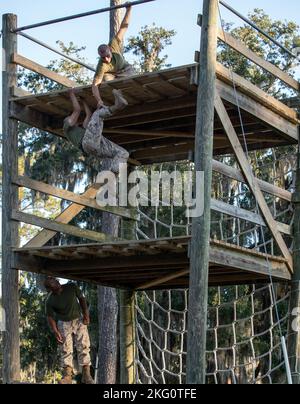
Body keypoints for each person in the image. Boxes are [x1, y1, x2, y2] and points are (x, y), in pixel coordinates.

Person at [64, 88, 129, 173]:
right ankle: (118, 106)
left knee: (123, 153)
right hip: (87, 142)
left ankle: (112, 172)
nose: (73, 118)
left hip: (93, 147)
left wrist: (83, 101)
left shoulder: (83, 130)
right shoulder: (66, 127)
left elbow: (88, 115)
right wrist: (71, 93)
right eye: (70, 117)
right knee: (98, 114)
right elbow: (77, 110)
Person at [44, 277, 94, 384]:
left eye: (55, 282)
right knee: (65, 348)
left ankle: (86, 375)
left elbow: (82, 299)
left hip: (78, 319)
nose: (56, 284)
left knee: (84, 345)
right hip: (63, 323)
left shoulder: (71, 287)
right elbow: (50, 317)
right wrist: (55, 331)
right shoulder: (50, 300)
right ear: (50, 289)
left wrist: (86, 315)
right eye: (52, 285)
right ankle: (67, 376)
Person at [92, 3, 135, 108]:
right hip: (112, 75)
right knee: (106, 81)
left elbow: (124, 27)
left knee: (131, 77)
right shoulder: (101, 65)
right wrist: (99, 100)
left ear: (110, 49)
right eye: (103, 58)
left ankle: (120, 91)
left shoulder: (114, 44)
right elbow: (94, 85)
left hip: (125, 70)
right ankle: (118, 95)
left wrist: (129, 10)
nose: (106, 59)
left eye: (107, 55)